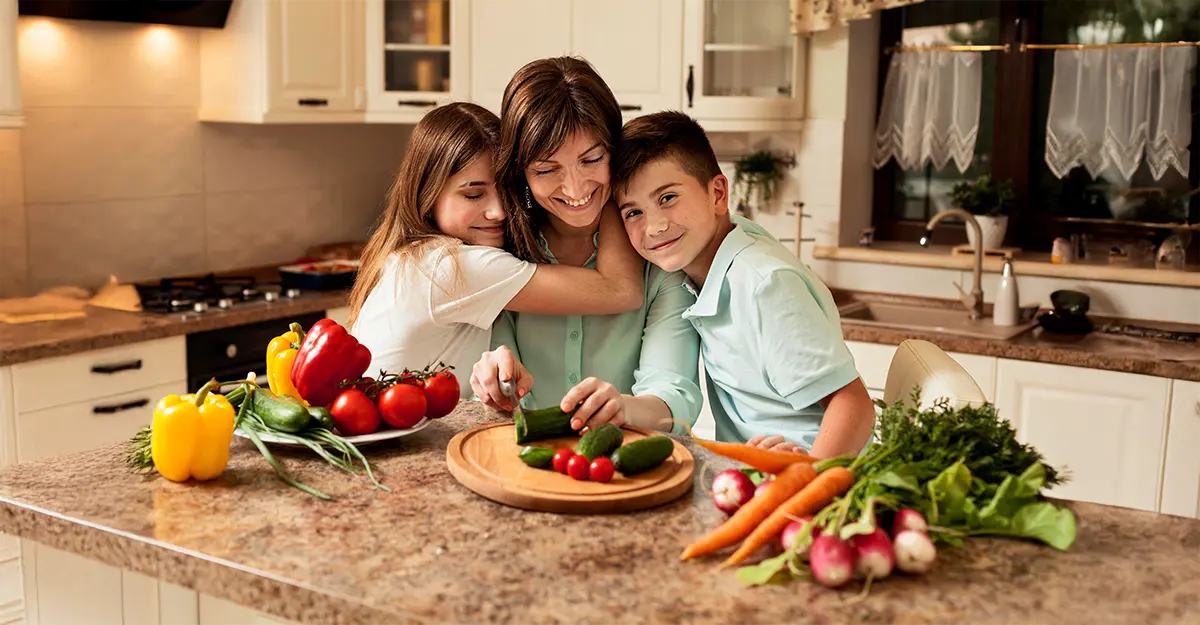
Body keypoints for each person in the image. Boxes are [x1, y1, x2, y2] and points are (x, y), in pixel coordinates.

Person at [611, 110, 876, 459]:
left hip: (810, 479)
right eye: (633, 212)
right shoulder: (713, 257)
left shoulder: (764, 285)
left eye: (668, 198)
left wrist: (808, 476)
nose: (655, 226)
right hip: (755, 472)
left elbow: (853, 404)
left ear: (718, 194)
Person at [469, 56, 706, 433]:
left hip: (626, 470)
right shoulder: (499, 251)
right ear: (521, 172)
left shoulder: (659, 252)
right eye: (547, 170)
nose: (576, 189)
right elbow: (493, 365)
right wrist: (489, 369)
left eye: (592, 159)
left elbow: (675, 396)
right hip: (520, 466)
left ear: (615, 150)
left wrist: (626, 408)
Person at [346, 101, 647, 398]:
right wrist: (603, 192)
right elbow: (620, 290)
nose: (499, 211)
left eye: (505, 190)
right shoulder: (449, 267)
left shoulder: (412, 256)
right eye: (474, 195)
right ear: (427, 195)